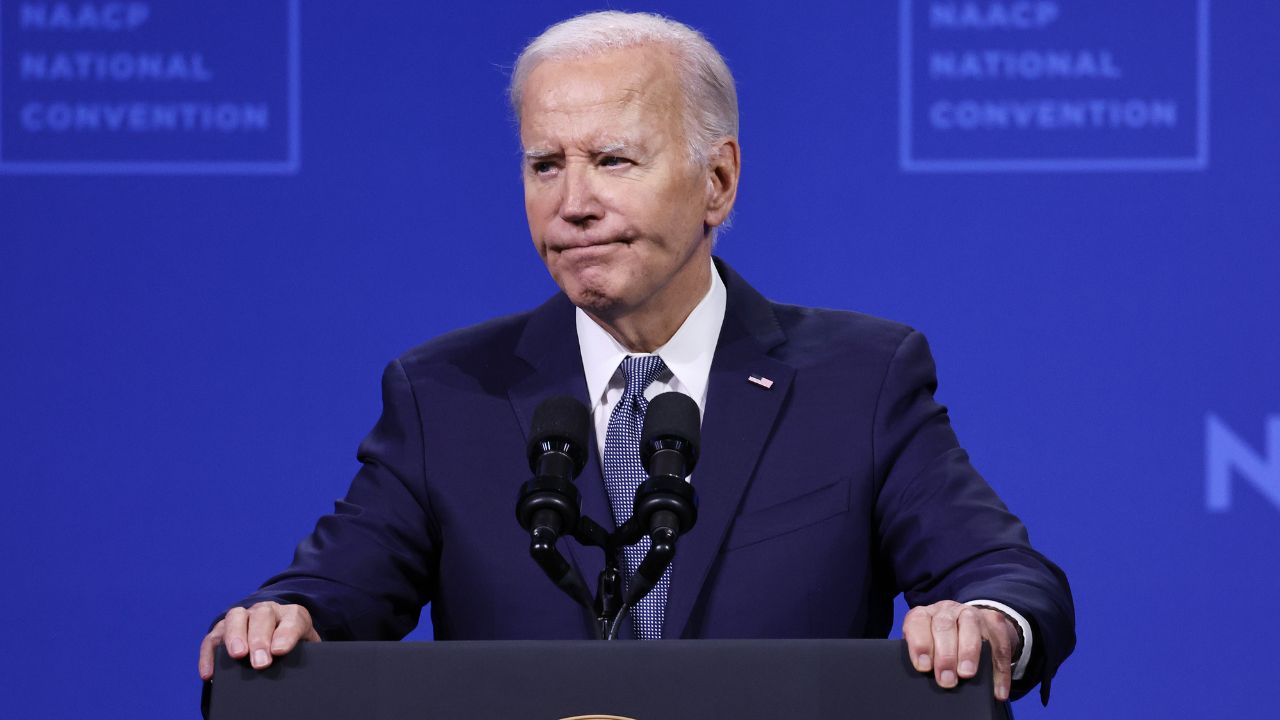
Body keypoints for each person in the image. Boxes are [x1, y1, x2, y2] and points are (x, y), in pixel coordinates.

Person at [198, 10, 1074, 705]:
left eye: (613, 160)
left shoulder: (860, 378)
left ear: (717, 182)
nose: (572, 202)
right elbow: (330, 592)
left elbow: (1005, 577)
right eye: (545, 165)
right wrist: (286, 621)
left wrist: (985, 623)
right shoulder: (445, 394)